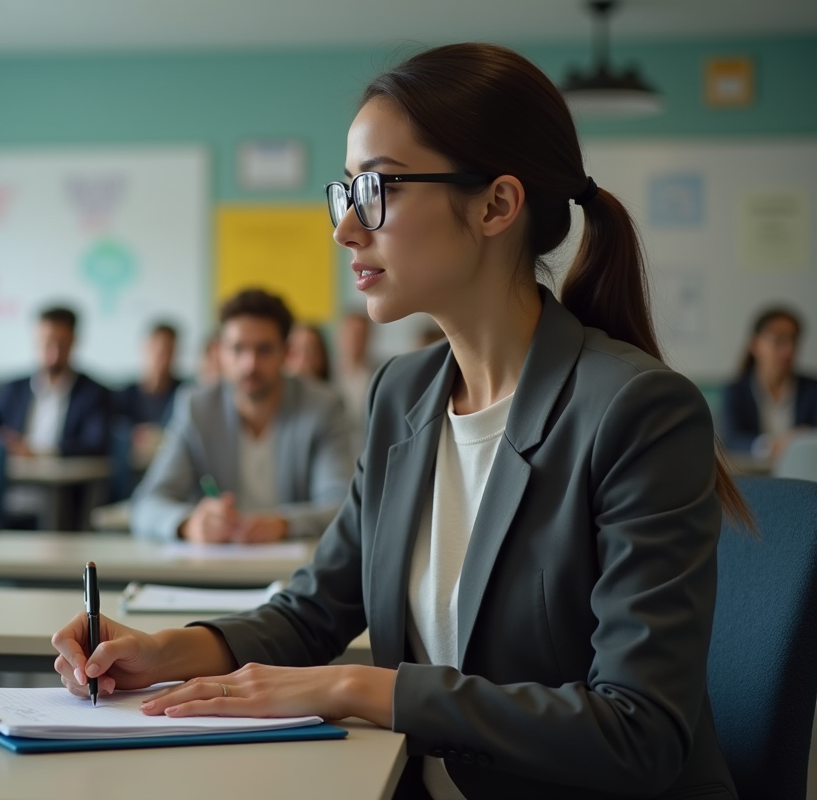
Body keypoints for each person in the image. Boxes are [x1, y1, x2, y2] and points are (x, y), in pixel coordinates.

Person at [53, 43, 750, 800]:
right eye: (346, 191)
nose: (346, 227)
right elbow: (317, 609)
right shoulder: (403, 393)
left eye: (377, 187)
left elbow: (638, 732)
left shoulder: (637, 410)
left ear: (496, 205)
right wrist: (169, 649)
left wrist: (360, 690)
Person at [131, 289, 353, 544]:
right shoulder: (197, 408)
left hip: (297, 567)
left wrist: (284, 524)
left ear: (286, 352)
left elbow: (342, 504)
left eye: (264, 349)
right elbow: (147, 503)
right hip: (216, 567)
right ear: (220, 352)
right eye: (238, 349)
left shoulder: (322, 407)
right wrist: (188, 523)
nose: (250, 364)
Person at [0, 306, 110, 458]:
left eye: (61, 344)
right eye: (47, 344)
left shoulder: (94, 394)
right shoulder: (11, 390)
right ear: (35, 341)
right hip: (13, 479)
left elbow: (96, 444)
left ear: (74, 342)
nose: (54, 354)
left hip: (69, 479)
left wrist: (41, 453)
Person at [721, 306, 817, 461]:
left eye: (794, 340)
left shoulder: (812, 389)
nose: (788, 350)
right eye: (779, 340)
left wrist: (802, 439)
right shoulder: (735, 390)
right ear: (755, 344)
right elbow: (730, 439)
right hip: (754, 476)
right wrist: (769, 446)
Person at [112, 323, 184, 496]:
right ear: (144, 349)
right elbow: (114, 429)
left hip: (171, 474)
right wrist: (134, 436)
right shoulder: (124, 395)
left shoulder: (185, 395)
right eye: (157, 351)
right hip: (129, 473)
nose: (162, 358)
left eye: (168, 351)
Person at [334, 312, 376, 454]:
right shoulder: (327, 376)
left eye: (360, 335)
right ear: (340, 336)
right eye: (351, 334)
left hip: (367, 452)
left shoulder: (379, 375)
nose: (355, 340)